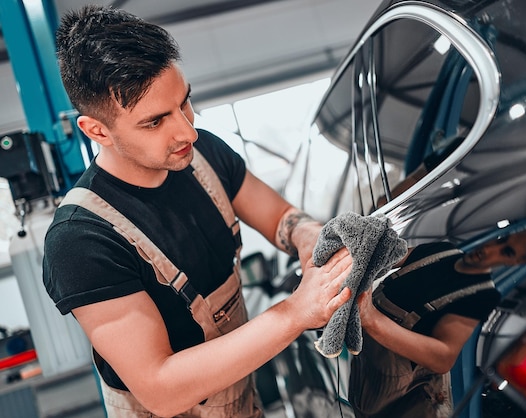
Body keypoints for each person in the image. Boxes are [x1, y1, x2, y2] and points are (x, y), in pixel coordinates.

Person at [42, 5, 352, 417]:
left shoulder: (202, 153)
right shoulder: (81, 240)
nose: (187, 130)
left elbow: (280, 218)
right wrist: (295, 313)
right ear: (97, 131)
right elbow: (161, 389)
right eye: (155, 122)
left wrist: (306, 235)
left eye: (184, 103)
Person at [348, 225, 526, 418]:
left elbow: (443, 356)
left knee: (358, 409)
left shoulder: (481, 296)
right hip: (361, 346)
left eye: (506, 251)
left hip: (386, 372)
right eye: (501, 239)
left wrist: (372, 320)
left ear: (516, 262)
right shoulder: (442, 251)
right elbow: (383, 258)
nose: (489, 249)